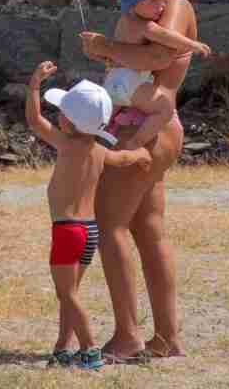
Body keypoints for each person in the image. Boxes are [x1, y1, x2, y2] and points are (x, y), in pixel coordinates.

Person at [79, 0, 200, 359]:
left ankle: (127, 336)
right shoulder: (138, 13)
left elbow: (159, 59)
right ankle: (166, 338)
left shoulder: (174, 3)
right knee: (147, 229)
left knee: (108, 223)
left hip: (149, 125)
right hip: (142, 122)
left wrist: (104, 48)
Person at [26, 63, 151, 370]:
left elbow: (34, 120)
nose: (58, 116)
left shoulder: (66, 144)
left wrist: (34, 86)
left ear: (68, 121)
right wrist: (141, 155)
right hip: (88, 231)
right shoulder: (99, 151)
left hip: (67, 230)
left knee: (66, 294)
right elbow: (123, 158)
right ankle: (62, 347)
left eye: (61, 112)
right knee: (71, 293)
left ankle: (89, 349)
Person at [101, 0, 211, 149]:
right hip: (130, 83)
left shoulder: (123, 21)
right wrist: (193, 45)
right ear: (133, 3)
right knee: (164, 109)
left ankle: (100, 135)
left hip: (112, 80)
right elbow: (165, 36)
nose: (162, 6)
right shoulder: (143, 24)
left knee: (103, 121)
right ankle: (135, 143)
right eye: (153, 0)